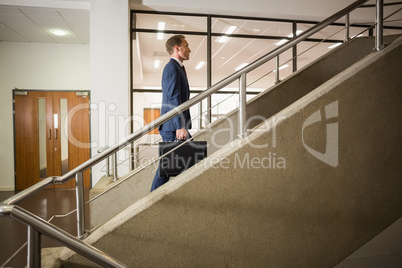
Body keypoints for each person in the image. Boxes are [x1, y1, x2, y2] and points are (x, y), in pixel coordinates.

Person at [151, 35, 192, 192]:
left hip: (175, 126)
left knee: (169, 168)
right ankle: (152, 201)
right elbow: (173, 99)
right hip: (173, 127)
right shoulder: (171, 68)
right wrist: (180, 126)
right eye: (186, 45)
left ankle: (153, 200)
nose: (189, 49)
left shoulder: (178, 68)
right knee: (167, 169)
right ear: (177, 48)